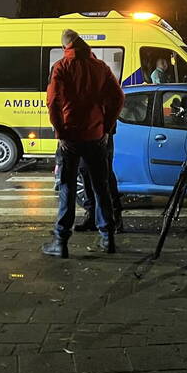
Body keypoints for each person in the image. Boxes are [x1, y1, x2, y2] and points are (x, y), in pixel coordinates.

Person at [43, 29, 125, 257]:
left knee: (67, 188)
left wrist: (60, 132)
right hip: (96, 137)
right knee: (101, 187)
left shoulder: (61, 67)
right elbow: (119, 97)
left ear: (65, 48)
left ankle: (61, 241)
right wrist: (106, 127)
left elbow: (52, 102)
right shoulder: (101, 68)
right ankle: (107, 238)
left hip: (70, 137)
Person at [74, 128, 123, 233]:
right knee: (85, 173)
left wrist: (107, 131)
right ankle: (92, 216)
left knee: (105, 176)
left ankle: (114, 218)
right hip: (85, 132)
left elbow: (113, 111)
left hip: (100, 132)